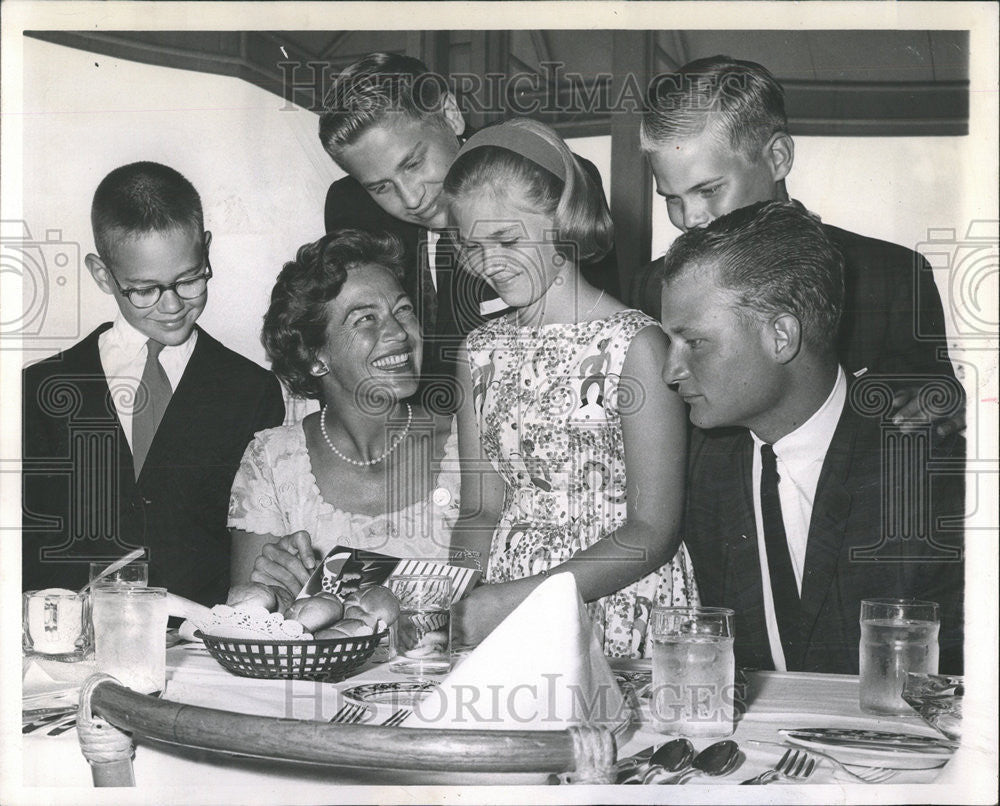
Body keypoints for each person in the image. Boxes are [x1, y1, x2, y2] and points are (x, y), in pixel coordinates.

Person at [661, 200, 964, 674]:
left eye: (694, 342)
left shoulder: (928, 474)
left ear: (781, 336)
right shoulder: (700, 467)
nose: (670, 371)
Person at [445, 119, 698, 658]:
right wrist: (454, 599)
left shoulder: (637, 345)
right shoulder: (478, 351)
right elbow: (480, 512)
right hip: (503, 610)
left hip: (610, 599)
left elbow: (652, 529)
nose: (488, 263)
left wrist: (520, 600)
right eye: (471, 246)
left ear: (562, 219)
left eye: (506, 238)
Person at [636, 54, 962, 437]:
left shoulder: (892, 274)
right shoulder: (650, 287)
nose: (689, 218)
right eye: (671, 198)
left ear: (778, 158)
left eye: (708, 189)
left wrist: (940, 402)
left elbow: (937, 396)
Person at [22, 162, 284, 606]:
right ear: (103, 275)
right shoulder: (37, 390)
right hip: (62, 651)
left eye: (189, 280)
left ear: (207, 252)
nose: (172, 305)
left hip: (202, 650)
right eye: (144, 289)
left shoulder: (251, 390)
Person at [318, 53, 621, 405]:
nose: (411, 198)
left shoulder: (545, 174)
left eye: (414, 163)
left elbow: (598, 343)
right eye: (380, 187)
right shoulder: (351, 210)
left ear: (450, 114)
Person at [227, 229, 459, 607]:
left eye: (402, 310)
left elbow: (484, 577)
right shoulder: (272, 461)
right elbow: (249, 622)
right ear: (315, 356)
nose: (400, 333)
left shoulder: (467, 444)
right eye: (366, 318)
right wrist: (280, 593)